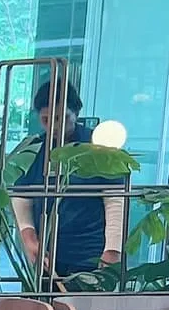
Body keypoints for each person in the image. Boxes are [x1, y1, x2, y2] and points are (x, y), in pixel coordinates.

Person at [12, 77, 123, 283]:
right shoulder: (33, 148)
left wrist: (112, 250)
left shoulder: (99, 147)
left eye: (62, 118)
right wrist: (29, 239)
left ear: (76, 114)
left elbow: (115, 200)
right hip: (46, 251)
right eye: (46, 119)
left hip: (89, 250)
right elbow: (20, 196)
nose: (54, 126)